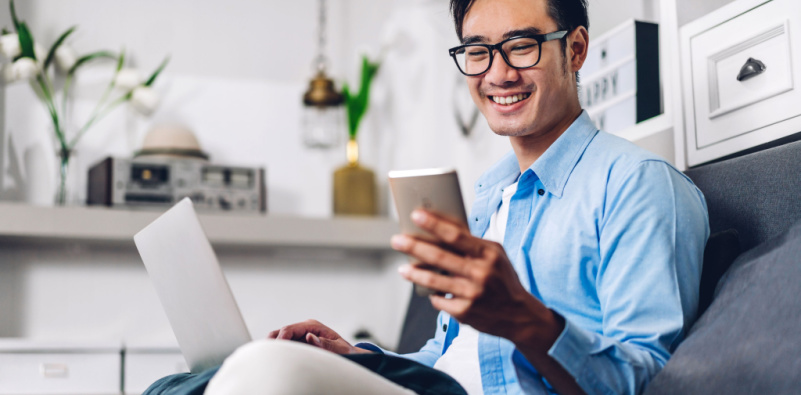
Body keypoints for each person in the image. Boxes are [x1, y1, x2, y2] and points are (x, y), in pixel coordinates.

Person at [163, 0, 709, 394]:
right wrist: (359, 359)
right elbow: (448, 359)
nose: (498, 73)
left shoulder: (638, 183)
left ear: (576, 48)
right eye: (477, 51)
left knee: (265, 376)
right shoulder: (485, 196)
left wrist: (523, 318)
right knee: (185, 382)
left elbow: (649, 381)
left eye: (520, 45)